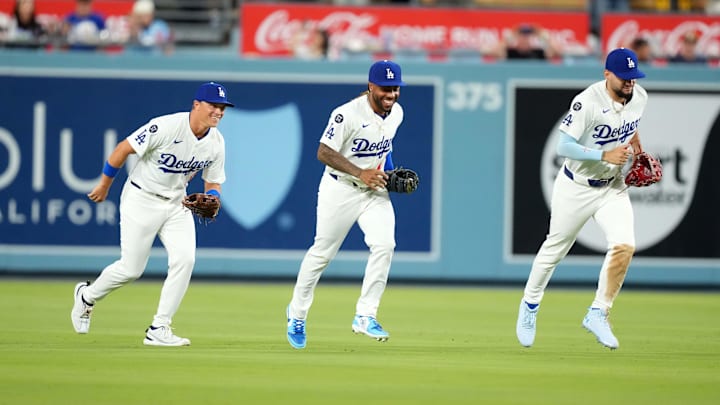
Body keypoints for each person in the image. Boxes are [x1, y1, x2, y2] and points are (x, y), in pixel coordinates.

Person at [71, 82, 234, 346]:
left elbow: (213, 182)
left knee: (185, 260)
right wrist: (104, 185)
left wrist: (213, 198)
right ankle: (87, 296)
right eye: (214, 106)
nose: (219, 112)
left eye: (222, 108)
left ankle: (159, 328)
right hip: (141, 198)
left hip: (177, 204)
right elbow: (123, 148)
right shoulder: (167, 126)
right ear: (196, 104)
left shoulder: (216, 142)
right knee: (131, 269)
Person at [516, 48, 649, 350]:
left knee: (625, 244)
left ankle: (599, 312)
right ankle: (530, 306)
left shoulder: (639, 96)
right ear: (607, 75)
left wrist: (638, 149)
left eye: (633, 77)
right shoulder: (587, 102)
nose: (630, 82)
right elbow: (564, 145)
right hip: (576, 186)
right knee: (554, 250)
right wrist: (604, 154)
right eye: (624, 77)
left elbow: (631, 125)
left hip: (612, 186)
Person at [286, 60, 407, 349]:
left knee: (385, 245)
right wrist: (360, 173)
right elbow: (323, 152)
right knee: (322, 254)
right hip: (339, 188)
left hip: (373, 190)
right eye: (385, 88)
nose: (391, 94)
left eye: (395, 88)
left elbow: (385, 147)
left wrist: (388, 175)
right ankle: (297, 314)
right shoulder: (346, 114)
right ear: (370, 86)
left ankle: (365, 315)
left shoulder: (396, 113)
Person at [495, 24, 560, 60]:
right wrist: (512, 34)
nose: (524, 39)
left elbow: (555, 52)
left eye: (527, 37)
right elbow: (496, 52)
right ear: (517, 38)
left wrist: (541, 34)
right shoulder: (511, 53)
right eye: (522, 36)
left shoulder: (539, 53)